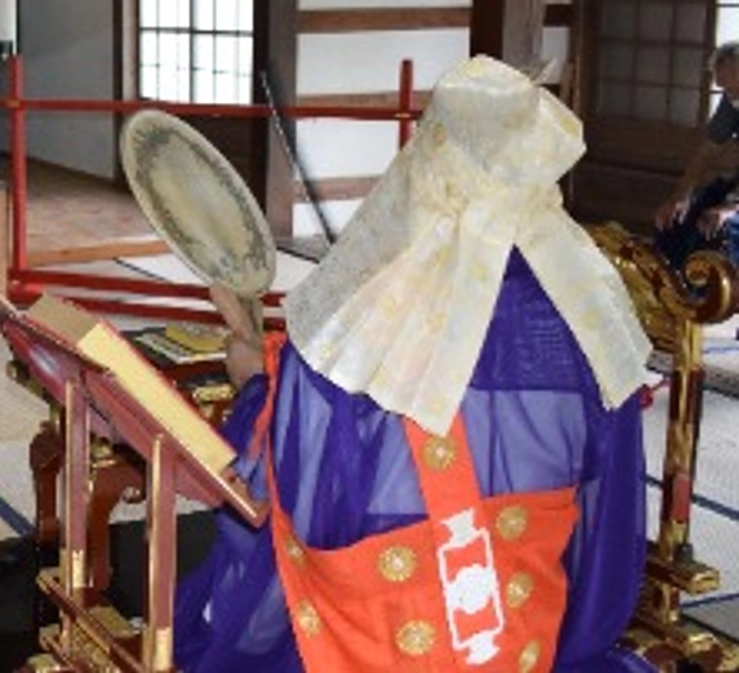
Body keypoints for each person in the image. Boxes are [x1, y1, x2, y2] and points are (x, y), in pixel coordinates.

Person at [176, 56, 656, 671]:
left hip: (379, 639)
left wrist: (254, 389)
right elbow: (605, 522)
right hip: (525, 637)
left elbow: (284, 499)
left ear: (429, 159)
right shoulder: (588, 315)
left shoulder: (361, 325)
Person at [654, 41, 739, 272]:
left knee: (720, 230)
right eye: (724, 89)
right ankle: (673, 292)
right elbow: (706, 151)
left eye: (732, 88)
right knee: (678, 220)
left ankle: (717, 300)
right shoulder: (732, 100)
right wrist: (680, 196)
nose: (728, 95)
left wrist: (730, 207)